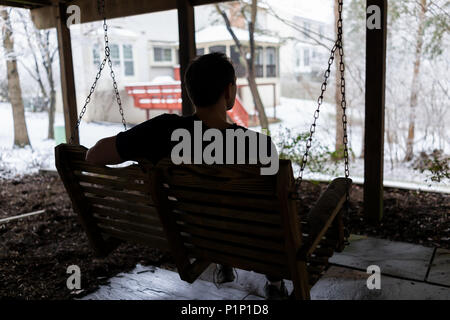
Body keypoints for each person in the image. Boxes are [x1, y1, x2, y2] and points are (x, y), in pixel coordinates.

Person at [86, 52, 288, 299]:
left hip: (196, 237)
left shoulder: (162, 130)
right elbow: (279, 212)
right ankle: (275, 285)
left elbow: (94, 155)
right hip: (251, 241)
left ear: (191, 92)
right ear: (228, 92)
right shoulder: (259, 146)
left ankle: (223, 262)